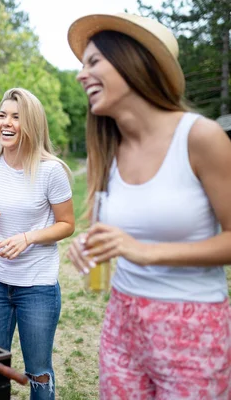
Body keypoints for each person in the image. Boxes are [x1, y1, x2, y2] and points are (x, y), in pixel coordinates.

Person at [66, 12, 231, 399]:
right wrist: (90, 244)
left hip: (193, 326)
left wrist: (143, 252)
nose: (80, 75)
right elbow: (116, 235)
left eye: (93, 62)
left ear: (133, 62)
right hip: (123, 322)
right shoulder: (107, 149)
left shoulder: (201, 138)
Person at [0, 88, 75, 400]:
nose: (7, 122)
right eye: (3, 115)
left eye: (16, 117)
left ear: (32, 124)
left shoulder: (51, 171)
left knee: (38, 372)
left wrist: (28, 238)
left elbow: (67, 224)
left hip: (37, 287)